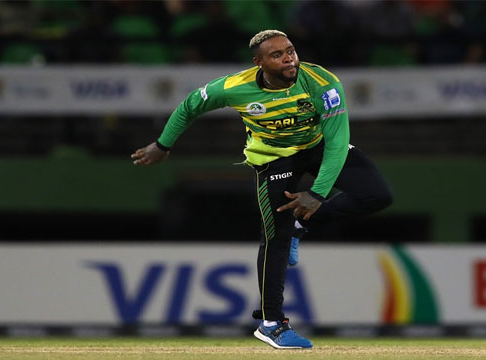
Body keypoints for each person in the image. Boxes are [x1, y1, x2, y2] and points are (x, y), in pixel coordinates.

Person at [131, 30, 392, 349]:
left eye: (291, 51)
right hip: (274, 159)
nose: (289, 58)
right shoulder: (232, 87)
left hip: (319, 146)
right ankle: (272, 324)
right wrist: (162, 145)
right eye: (278, 55)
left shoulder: (322, 82)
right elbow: (189, 106)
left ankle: (304, 223)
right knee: (274, 237)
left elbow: (337, 144)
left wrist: (317, 194)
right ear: (259, 62)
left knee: (377, 195)